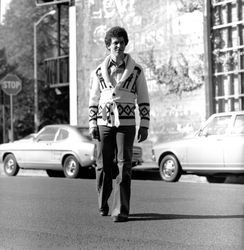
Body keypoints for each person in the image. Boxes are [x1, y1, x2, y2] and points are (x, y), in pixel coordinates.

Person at [89, 26, 150, 222]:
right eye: (115, 43)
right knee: (103, 166)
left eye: (122, 42)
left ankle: (120, 210)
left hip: (127, 123)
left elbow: (143, 98)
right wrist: (92, 124)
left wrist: (145, 124)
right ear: (108, 46)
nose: (118, 46)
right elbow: (93, 99)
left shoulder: (137, 71)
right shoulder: (98, 71)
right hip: (103, 122)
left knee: (124, 166)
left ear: (126, 44)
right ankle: (103, 202)